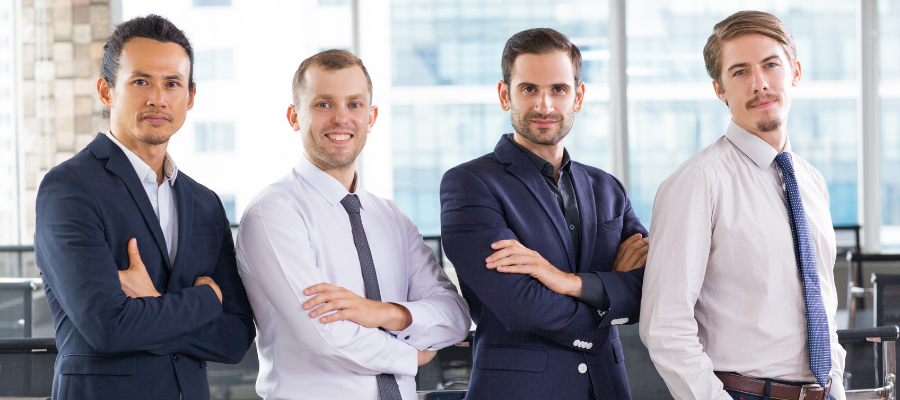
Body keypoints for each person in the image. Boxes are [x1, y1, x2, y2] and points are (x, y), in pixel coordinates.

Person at [34, 14, 255, 400]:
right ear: (106, 91)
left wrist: (151, 306)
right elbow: (107, 327)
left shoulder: (204, 204)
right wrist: (206, 300)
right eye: (141, 82)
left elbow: (235, 337)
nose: (158, 98)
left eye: (172, 83)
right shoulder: (69, 189)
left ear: (190, 96)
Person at [235, 49, 471, 400]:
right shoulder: (272, 214)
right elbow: (327, 336)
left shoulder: (390, 216)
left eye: (355, 105)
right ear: (294, 116)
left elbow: (455, 316)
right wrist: (412, 355)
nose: (341, 118)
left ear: (371, 116)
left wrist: (384, 313)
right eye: (323, 104)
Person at [639, 10, 845, 400]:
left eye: (771, 65)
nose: (760, 84)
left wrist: (837, 387)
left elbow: (823, 305)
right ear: (719, 88)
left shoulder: (811, 181)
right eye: (740, 72)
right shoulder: (699, 181)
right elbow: (664, 325)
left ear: (795, 72)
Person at [440, 28, 649, 400]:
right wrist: (607, 291)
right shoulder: (469, 185)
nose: (545, 105)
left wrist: (568, 282)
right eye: (529, 89)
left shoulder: (608, 188)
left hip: (607, 389)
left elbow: (650, 289)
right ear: (505, 95)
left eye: (558, 89)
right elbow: (524, 308)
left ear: (578, 96)